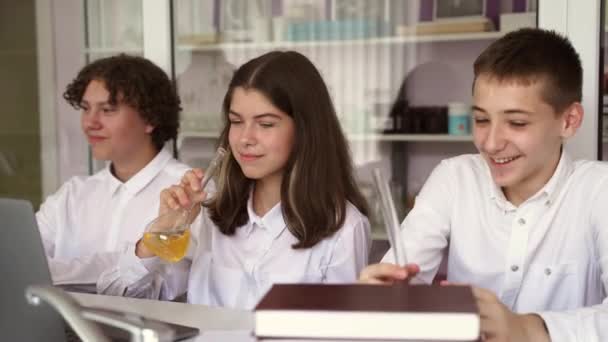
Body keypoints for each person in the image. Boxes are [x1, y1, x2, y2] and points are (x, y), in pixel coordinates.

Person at [359, 28, 608, 341]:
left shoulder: (599, 191)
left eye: (516, 123)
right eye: (480, 120)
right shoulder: (454, 178)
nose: (490, 143)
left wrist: (526, 328)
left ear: (568, 121)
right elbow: (402, 275)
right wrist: (382, 293)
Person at [97, 51, 372, 309]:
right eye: (236, 122)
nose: (244, 139)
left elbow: (341, 333)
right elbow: (119, 298)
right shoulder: (208, 212)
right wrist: (161, 232)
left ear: (305, 130)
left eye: (265, 124)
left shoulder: (343, 229)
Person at [36, 54, 190, 287]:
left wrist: (56, 271)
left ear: (150, 119)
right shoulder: (72, 195)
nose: (90, 123)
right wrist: (124, 261)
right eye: (86, 109)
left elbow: (169, 284)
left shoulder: (188, 192)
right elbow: (21, 264)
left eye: (107, 110)